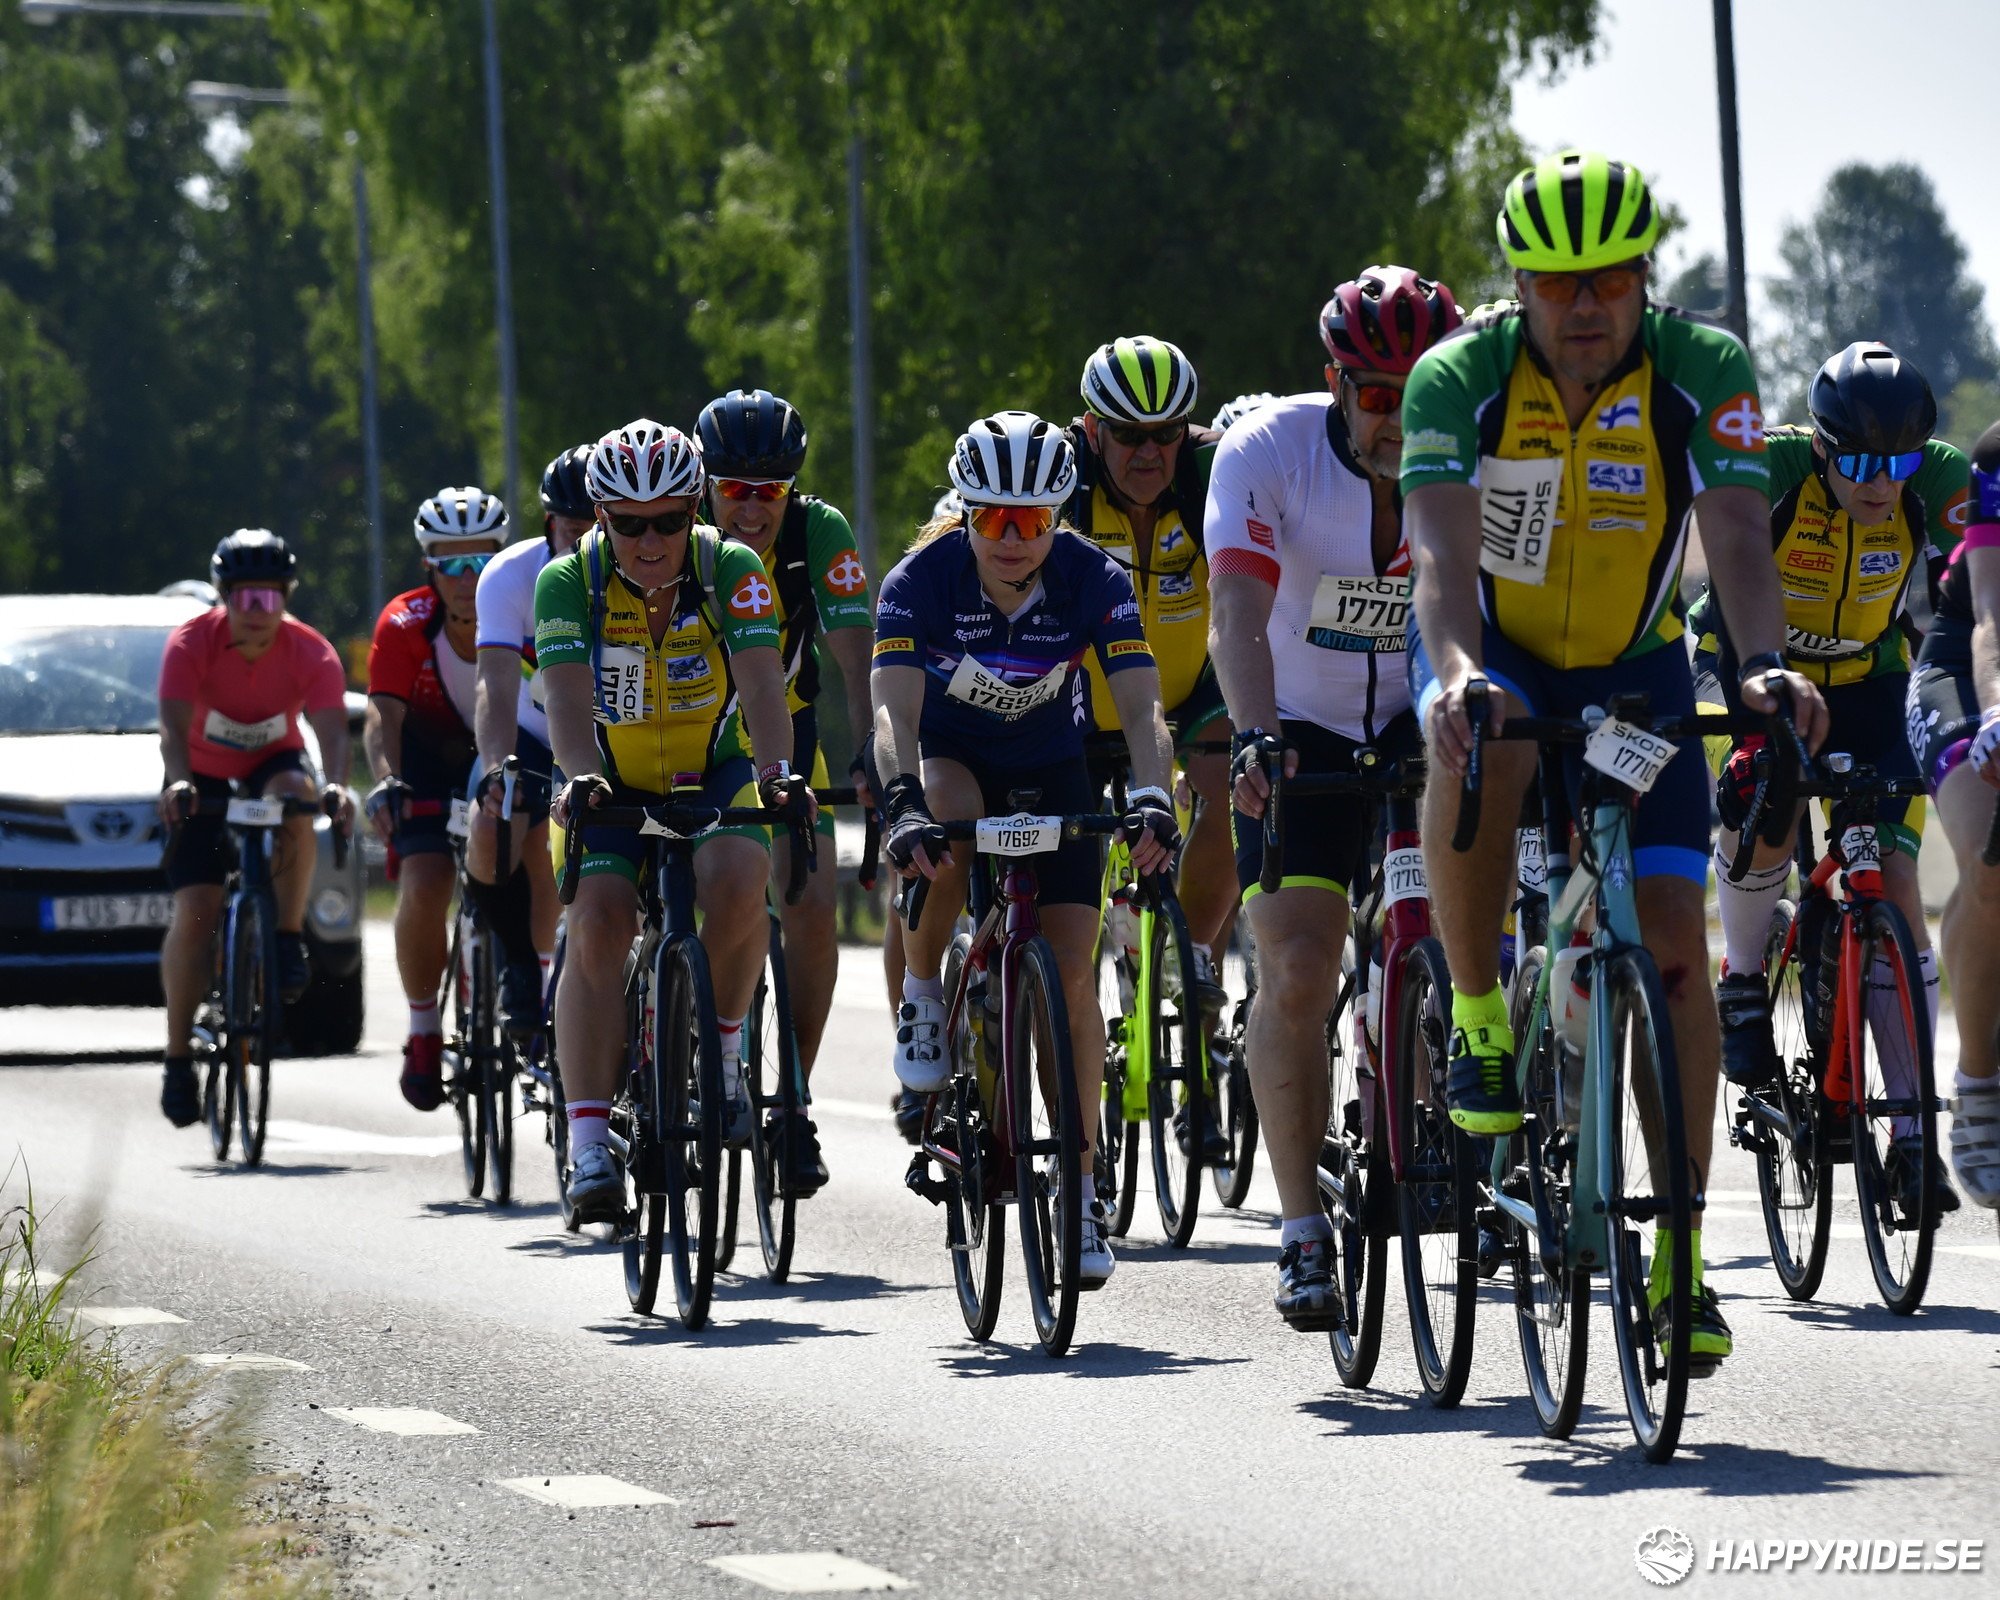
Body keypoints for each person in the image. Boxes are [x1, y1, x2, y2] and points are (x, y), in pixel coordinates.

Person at [1402, 149, 1829, 1370]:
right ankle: (1477, 1012)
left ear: (1644, 276)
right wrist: (1451, 671)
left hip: (1637, 670)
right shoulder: (1457, 378)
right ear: (1518, 287)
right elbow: (1437, 555)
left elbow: (1736, 532)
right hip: (1499, 651)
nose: (1584, 305)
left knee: (1676, 954)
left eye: (1609, 279)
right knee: (1483, 741)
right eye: (1557, 283)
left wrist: (1761, 665)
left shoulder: (1703, 369)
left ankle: (1679, 1257)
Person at [873, 411, 1181, 1286]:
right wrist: (899, 803)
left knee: (1073, 977)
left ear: (1058, 517)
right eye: (995, 519)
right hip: (952, 759)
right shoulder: (919, 581)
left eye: (1033, 520)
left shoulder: (1094, 577)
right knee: (945, 814)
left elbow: (1142, 705)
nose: (1013, 538)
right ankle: (924, 995)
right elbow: (892, 713)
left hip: (1052, 767)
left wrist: (1153, 795)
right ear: (966, 513)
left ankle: (1078, 1195)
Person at [1207, 265, 1459, 1329]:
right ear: (1336, 385)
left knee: (1469, 935)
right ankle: (1303, 1227)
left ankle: (1460, 1129)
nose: (1398, 418)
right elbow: (1235, 612)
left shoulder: (1475, 450)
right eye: (1377, 395)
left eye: (1419, 393)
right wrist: (1253, 734)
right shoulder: (1266, 451)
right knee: (1300, 966)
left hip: (1423, 708)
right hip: (1296, 720)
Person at [1692, 343, 1966, 1215]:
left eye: (1899, 464)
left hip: (1868, 677)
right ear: (1820, 445)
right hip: (1751, 667)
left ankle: (1913, 1136)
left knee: (1894, 884)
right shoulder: (1774, 465)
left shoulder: (1938, 477)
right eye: (1859, 464)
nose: (1882, 484)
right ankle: (1743, 977)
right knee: (1763, 793)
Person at [534, 419, 811, 1223]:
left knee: (741, 879)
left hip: (713, 765)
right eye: (630, 524)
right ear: (600, 517)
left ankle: (722, 1054)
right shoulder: (569, 582)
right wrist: (579, 775)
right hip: (608, 778)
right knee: (597, 924)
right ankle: (589, 1143)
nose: (650, 541)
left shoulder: (732, 569)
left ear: (694, 510)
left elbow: (763, 687)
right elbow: (566, 703)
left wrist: (775, 774)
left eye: (667, 521)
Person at [696, 389, 873, 1188]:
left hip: (788, 738)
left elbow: (857, 654)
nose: (753, 508)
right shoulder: (678, 540)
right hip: (694, 744)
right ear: (706, 487)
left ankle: (793, 1104)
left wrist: (870, 748)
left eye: (770, 490)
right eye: (735, 489)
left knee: (813, 910)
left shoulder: (816, 531)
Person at [1065, 337, 1234, 1153]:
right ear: (1092, 430)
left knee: (1239, 783)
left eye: (1165, 433)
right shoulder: (1062, 483)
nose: (1147, 452)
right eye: (1127, 435)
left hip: (1189, 691)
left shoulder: (1210, 475)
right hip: (1076, 705)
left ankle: (1187, 958)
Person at [155, 530, 355, 1126]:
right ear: (224, 599)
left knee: (297, 797)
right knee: (196, 909)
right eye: (244, 598)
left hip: (273, 764)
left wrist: (336, 786)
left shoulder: (310, 650)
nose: (256, 611)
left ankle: (287, 935)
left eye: (269, 598)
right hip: (201, 773)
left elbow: (332, 731)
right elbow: (171, 728)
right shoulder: (190, 642)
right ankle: (176, 1058)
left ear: (286, 598)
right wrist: (179, 783)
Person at [363, 488, 509, 1110]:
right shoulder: (404, 622)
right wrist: (386, 779)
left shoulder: (526, 610)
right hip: (425, 762)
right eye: (452, 564)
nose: (467, 579)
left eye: (481, 562)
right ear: (429, 566)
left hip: (499, 757)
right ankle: (424, 1029)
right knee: (425, 883)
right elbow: (382, 718)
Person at [469, 446, 596, 1032]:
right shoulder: (510, 576)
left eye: (599, 528)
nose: (585, 543)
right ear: (549, 523)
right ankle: (519, 962)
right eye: (573, 530)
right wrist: (498, 766)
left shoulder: (640, 571)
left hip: (605, 734)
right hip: (528, 733)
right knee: (491, 826)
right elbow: (494, 685)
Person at [1907, 417, 2000, 1209]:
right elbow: (1992, 615)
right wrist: (1997, 709)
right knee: (1990, 865)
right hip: (1966, 674)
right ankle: (1977, 1081)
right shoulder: (1997, 458)